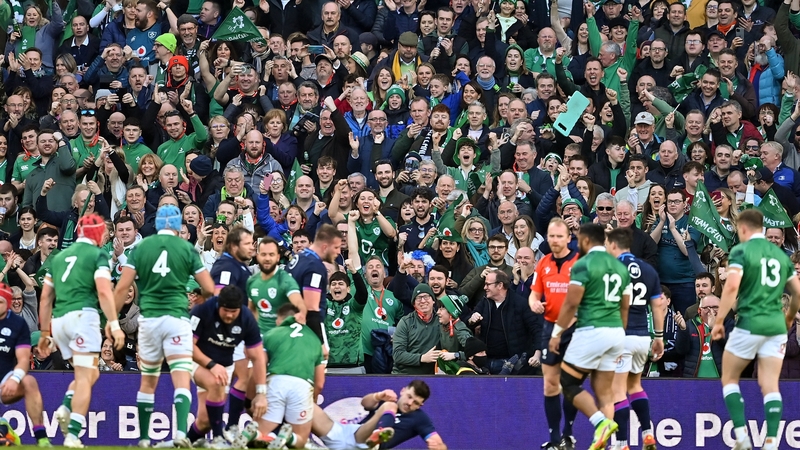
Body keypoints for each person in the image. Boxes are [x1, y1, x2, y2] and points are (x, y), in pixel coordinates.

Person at [112, 204, 215, 447]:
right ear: (178, 225)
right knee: (181, 376)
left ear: (157, 223)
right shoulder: (186, 248)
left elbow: (123, 287)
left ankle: (144, 439)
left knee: (148, 380)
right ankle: (180, 434)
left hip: (149, 320)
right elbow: (209, 288)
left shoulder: (141, 248)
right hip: (177, 319)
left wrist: (113, 321)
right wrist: (202, 304)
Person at [712, 209, 800, 450]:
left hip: (750, 323)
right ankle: (771, 441)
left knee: (729, 378)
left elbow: (731, 288)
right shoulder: (781, 256)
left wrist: (719, 321)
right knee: (770, 384)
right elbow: (797, 292)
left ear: (743, 228)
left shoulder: (742, 251)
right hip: (776, 326)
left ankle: (742, 437)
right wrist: (789, 317)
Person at [37, 214, 125, 448]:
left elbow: (45, 298)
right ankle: (73, 435)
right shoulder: (98, 255)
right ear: (98, 234)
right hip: (83, 318)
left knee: (90, 373)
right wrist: (114, 324)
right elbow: (104, 291)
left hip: (60, 321)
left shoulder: (58, 257)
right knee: (86, 377)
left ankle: (67, 406)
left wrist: (45, 332)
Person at [548, 223, 631, 450]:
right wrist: (620, 336)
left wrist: (556, 333)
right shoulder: (620, 266)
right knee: (604, 393)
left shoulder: (583, 264)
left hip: (592, 330)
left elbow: (571, 304)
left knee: (567, 382)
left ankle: (600, 422)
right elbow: (625, 307)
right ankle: (603, 444)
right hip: (616, 332)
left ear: (586, 240)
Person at [605, 227, 665, 450]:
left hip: (621, 337)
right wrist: (658, 337)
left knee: (617, 391)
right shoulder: (648, 269)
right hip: (642, 338)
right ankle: (647, 433)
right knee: (635, 385)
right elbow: (657, 306)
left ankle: (621, 443)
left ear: (613, 245)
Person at [187, 285, 267, 447]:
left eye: (233, 311)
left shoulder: (246, 318)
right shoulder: (203, 310)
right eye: (225, 310)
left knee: (205, 420)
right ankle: (218, 439)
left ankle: (184, 442)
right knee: (217, 381)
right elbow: (188, 345)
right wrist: (211, 365)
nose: (229, 315)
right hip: (197, 360)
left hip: (224, 366)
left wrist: (261, 393)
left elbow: (258, 357)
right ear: (218, 305)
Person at [530, 218, 580, 450]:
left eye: (560, 236)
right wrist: (534, 303)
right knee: (550, 385)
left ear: (569, 238)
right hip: (550, 327)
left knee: (570, 384)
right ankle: (554, 439)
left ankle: (568, 435)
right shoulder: (543, 263)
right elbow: (534, 294)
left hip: (575, 329)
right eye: (551, 236)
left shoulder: (580, 263)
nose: (555, 240)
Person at [258, 303, 325, 449]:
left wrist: (260, 393)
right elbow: (319, 383)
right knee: (301, 440)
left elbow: (260, 365)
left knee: (263, 432)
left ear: (279, 319)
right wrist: (312, 401)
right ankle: (290, 437)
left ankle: (257, 435)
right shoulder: (315, 340)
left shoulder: (271, 334)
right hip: (302, 385)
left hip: (275, 381)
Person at [0, 282, 51, 446]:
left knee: (29, 381)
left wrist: (15, 379)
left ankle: (41, 437)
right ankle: (2, 428)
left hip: (5, 380)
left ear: (8, 302)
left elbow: (23, 360)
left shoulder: (18, 324)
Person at [286, 224, 344, 343]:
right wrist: (320, 343)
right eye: (336, 247)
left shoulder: (299, 258)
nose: (338, 252)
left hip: (290, 325)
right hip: (304, 332)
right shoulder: (315, 266)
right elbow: (311, 308)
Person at [392, 284, 440, 374]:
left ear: (433, 300)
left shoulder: (440, 320)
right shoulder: (405, 322)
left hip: (431, 376)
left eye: (426, 297)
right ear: (414, 303)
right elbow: (397, 354)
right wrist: (422, 358)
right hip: (404, 374)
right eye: (418, 298)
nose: (423, 301)